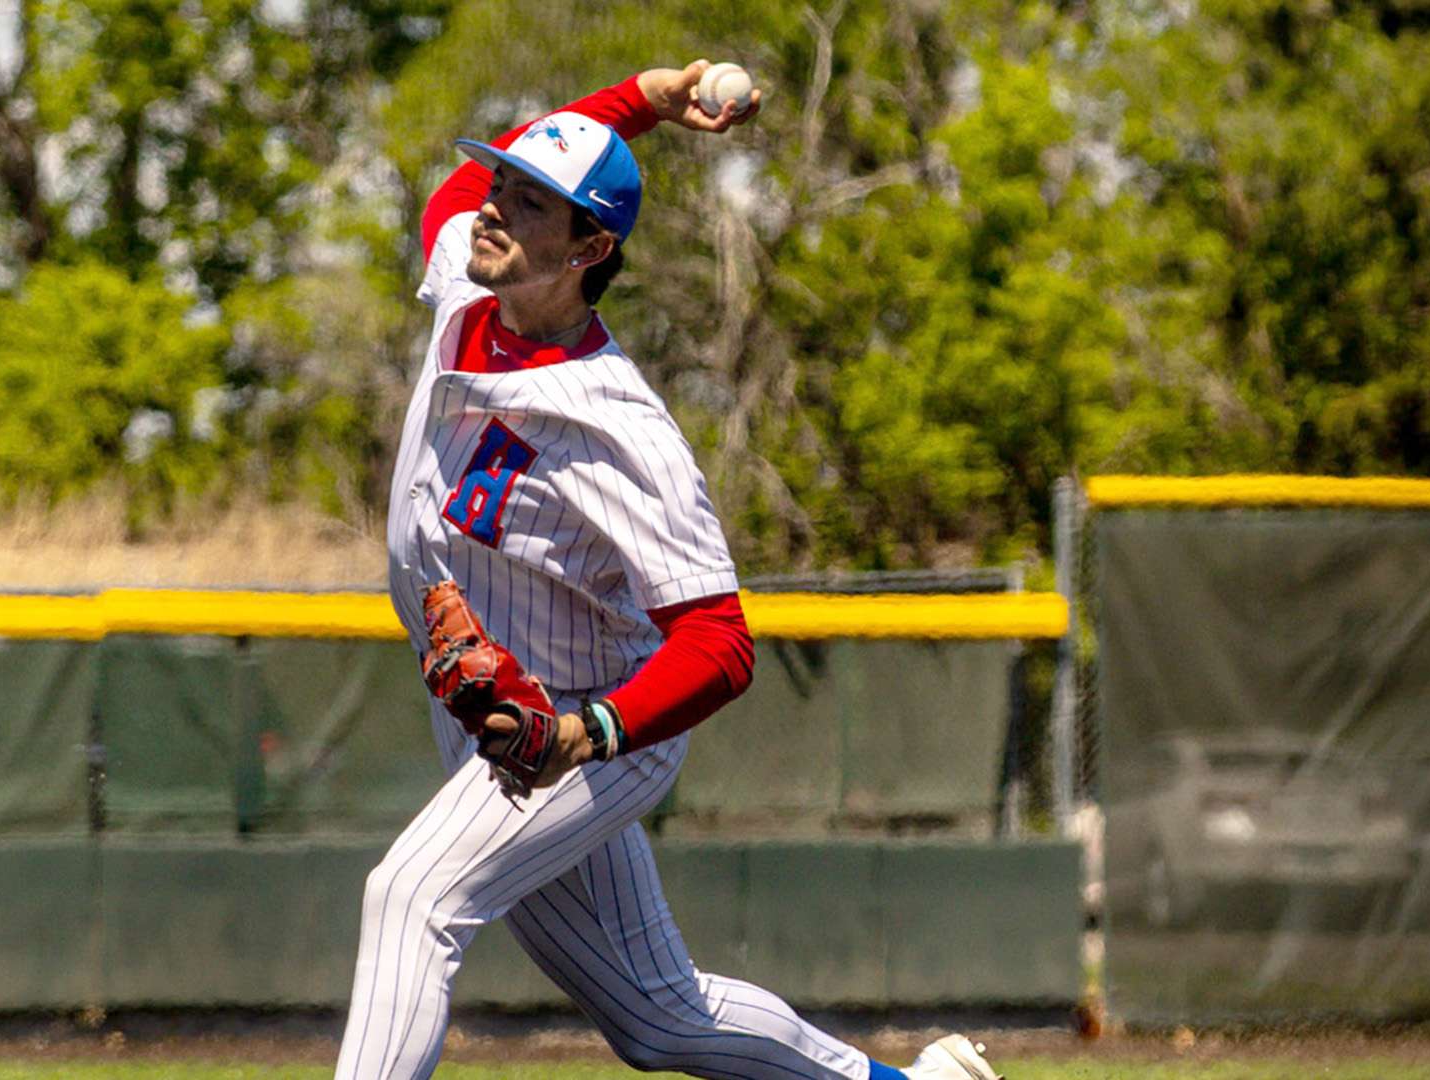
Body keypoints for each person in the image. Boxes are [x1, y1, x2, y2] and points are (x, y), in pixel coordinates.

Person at [336, 61, 1002, 1080]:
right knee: (661, 1021)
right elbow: (485, 179)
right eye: (500, 185)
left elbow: (722, 645)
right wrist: (643, 99)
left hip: (589, 722)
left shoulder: (619, 428)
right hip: (495, 711)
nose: (495, 208)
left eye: (532, 203)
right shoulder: (467, 281)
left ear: (591, 248)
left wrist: (588, 735)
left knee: (411, 899)